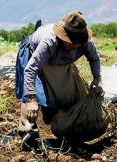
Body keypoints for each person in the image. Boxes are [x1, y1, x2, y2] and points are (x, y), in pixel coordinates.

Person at [16, 11, 101, 147]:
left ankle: (69, 128)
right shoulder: (50, 41)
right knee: (33, 97)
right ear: (63, 36)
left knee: (69, 95)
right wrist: (31, 99)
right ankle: (28, 129)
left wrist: (97, 79)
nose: (75, 45)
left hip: (61, 63)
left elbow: (94, 59)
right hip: (34, 56)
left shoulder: (84, 41)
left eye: (77, 43)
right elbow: (30, 70)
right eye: (71, 42)